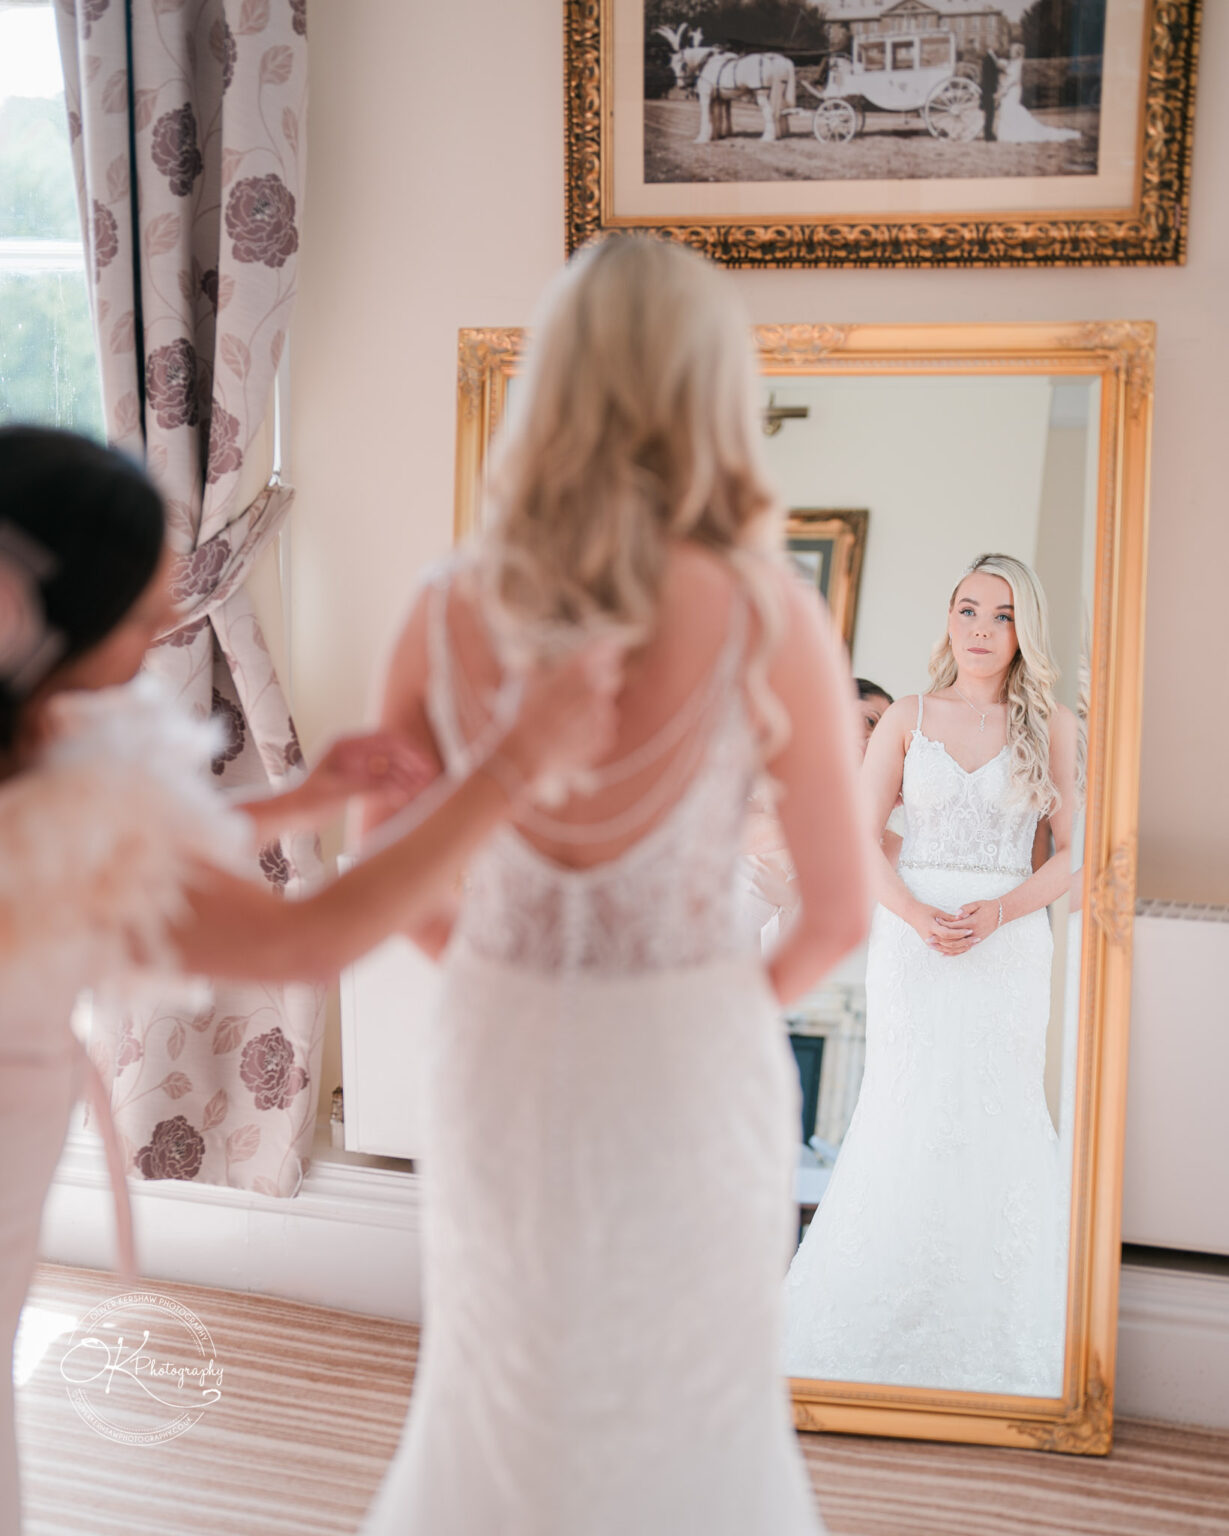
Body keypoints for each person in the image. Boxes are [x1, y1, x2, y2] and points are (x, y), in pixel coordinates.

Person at [0, 426, 618, 1536]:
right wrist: (514, 768)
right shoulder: (27, 824)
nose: (162, 636)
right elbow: (305, 941)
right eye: (140, 618)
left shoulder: (42, 750)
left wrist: (300, 800)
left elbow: (116, 847)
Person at [356, 235, 871, 1536]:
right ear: (710, 389)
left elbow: (395, 886)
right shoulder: (772, 616)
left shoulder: (441, 608)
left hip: (499, 1045)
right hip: (693, 1054)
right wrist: (697, 1015)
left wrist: (515, 984)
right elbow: (838, 917)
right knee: (692, 1400)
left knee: (499, 1376)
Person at [782, 553, 1077, 1397]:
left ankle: (1000, 1326)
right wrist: (914, 917)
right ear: (947, 619)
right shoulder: (906, 716)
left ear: (1025, 631)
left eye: (1001, 615)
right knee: (905, 1106)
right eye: (967, 610)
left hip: (1009, 946)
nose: (980, 630)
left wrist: (1002, 912)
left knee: (999, 1112)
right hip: (911, 943)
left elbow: (1080, 857)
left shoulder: (1048, 725)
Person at [992, 43, 1080, 144]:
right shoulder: (1011, 62)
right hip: (1011, 88)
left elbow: (1013, 79)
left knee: (1009, 108)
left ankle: (1013, 133)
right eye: (1010, 50)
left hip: (1012, 89)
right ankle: (1009, 133)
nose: (1010, 52)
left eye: (1012, 50)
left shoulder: (1017, 63)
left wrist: (1003, 90)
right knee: (1007, 109)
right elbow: (1003, 67)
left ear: (1017, 53)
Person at [979, 46, 1000, 142]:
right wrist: (993, 90)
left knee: (990, 113)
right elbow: (989, 77)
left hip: (988, 89)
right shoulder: (988, 59)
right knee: (990, 113)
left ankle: (988, 133)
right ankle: (988, 134)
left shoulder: (990, 58)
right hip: (988, 90)